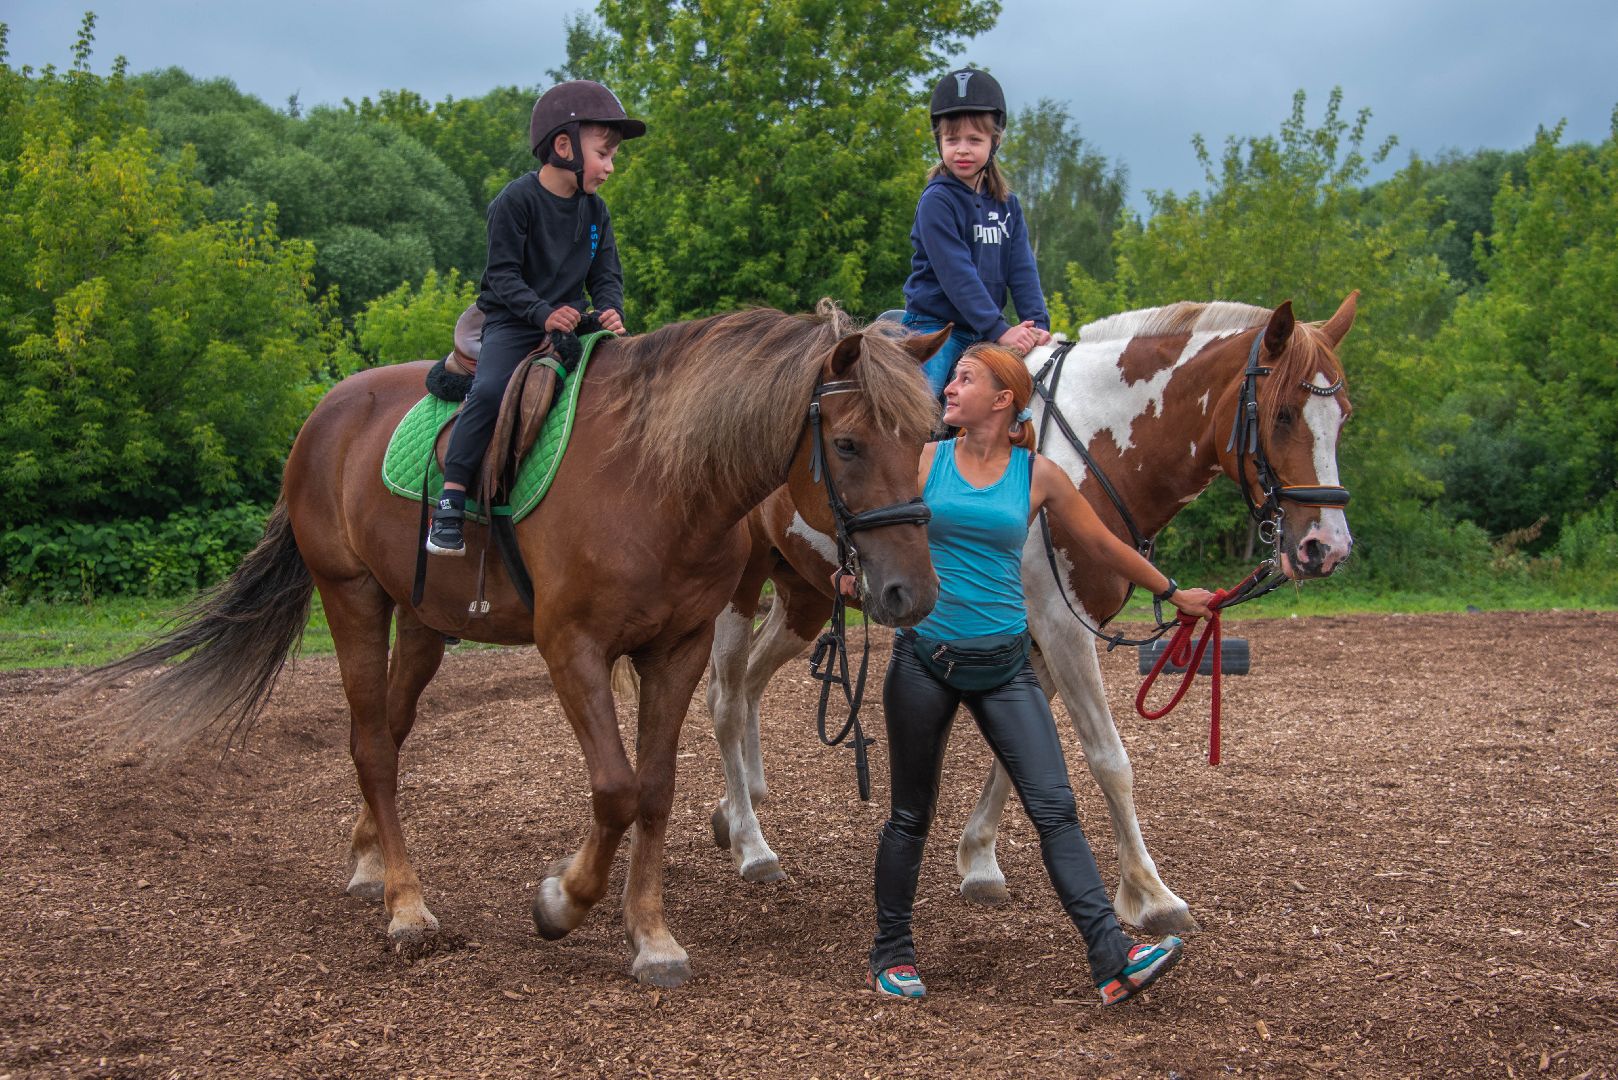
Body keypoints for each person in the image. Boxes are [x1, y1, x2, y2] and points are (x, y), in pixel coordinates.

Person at [851, 343, 1214, 1005]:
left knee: (1056, 810)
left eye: (965, 378)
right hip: (925, 661)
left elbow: (1104, 544)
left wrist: (1173, 590)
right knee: (910, 817)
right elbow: (871, 524)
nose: (950, 387)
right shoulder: (925, 461)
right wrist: (850, 576)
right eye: (952, 376)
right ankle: (892, 953)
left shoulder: (1038, 475)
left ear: (1003, 400)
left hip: (1004, 666)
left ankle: (1112, 957)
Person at [427, 80, 645, 556]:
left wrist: (610, 310)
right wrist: (543, 313)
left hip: (568, 324)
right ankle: (451, 502)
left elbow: (606, 274)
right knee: (488, 392)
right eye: (604, 154)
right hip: (511, 322)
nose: (609, 167)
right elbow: (502, 277)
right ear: (563, 146)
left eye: (612, 157)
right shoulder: (515, 202)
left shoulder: (596, 212)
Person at [901, 69, 1053, 398]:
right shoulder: (938, 201)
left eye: (974, 140)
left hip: (984, 331)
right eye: (952, 140)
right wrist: (1001, 330)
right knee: (922, 409)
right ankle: (918, 450)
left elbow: (1022, 269)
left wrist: (1036, 325)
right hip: (936, 329)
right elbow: (958, 275)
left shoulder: (1007, 205)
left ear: (994, 141)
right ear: (939, 142)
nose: (963, 150)